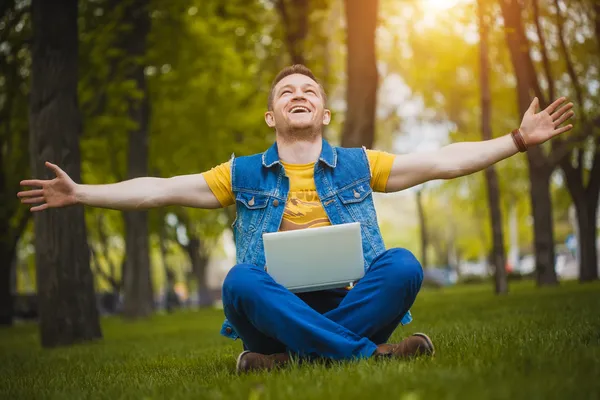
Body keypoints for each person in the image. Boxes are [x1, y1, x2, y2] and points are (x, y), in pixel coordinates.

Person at [18, 65, 574, 373]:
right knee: (239, 279)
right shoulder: (241, 175)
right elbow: (157, 190)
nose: (299, 95)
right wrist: (81, 193)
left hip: (348, 301)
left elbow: (441, 161)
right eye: (287, 91)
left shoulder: (359, 165)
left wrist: (518, 139)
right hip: (270, 311)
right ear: (272, 115)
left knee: (402, 265)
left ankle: (282, 363)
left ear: (325, 113)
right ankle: (370, 355)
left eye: (310, 90)